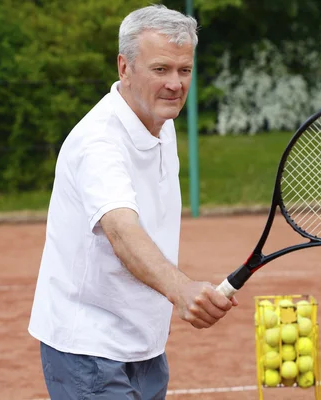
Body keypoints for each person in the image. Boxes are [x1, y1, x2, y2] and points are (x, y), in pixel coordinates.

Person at [27, 5, 238, 399]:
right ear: (125, 67)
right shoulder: (99, 142)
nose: (175, 84)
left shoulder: (163, 123)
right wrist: (182, 289)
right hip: (87, 347)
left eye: (184, 70)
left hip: (144, 343)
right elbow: (122, 230)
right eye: (160, 69)